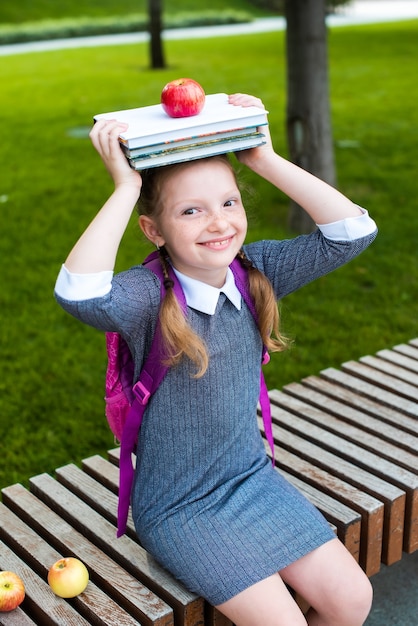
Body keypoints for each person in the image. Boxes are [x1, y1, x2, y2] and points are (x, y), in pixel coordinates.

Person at [55, 93, 377, 626]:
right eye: (190, 211)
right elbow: (80, 295)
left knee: (352, 602)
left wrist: (262, 158)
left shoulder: (257, 272)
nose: (218, 223)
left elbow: (353, 233)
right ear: (154, 230)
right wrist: (127, 187)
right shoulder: (146, 298)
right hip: (179, 508)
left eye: (229, 202)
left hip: (250, 478)